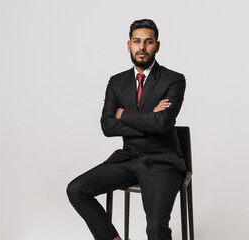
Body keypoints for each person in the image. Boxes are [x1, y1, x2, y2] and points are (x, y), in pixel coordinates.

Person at [67, 19, 186, 240]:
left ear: (157, 46)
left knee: (156, 226)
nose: (142, 47)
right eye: (137, 41)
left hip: (162, 160)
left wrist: (124, 114)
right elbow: (107, 126)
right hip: (128, 158)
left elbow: (162, 123)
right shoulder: (116, 82)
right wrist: (150, 118)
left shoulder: (174, 80)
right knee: (76, 190)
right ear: (128, 45)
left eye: (148, 42)